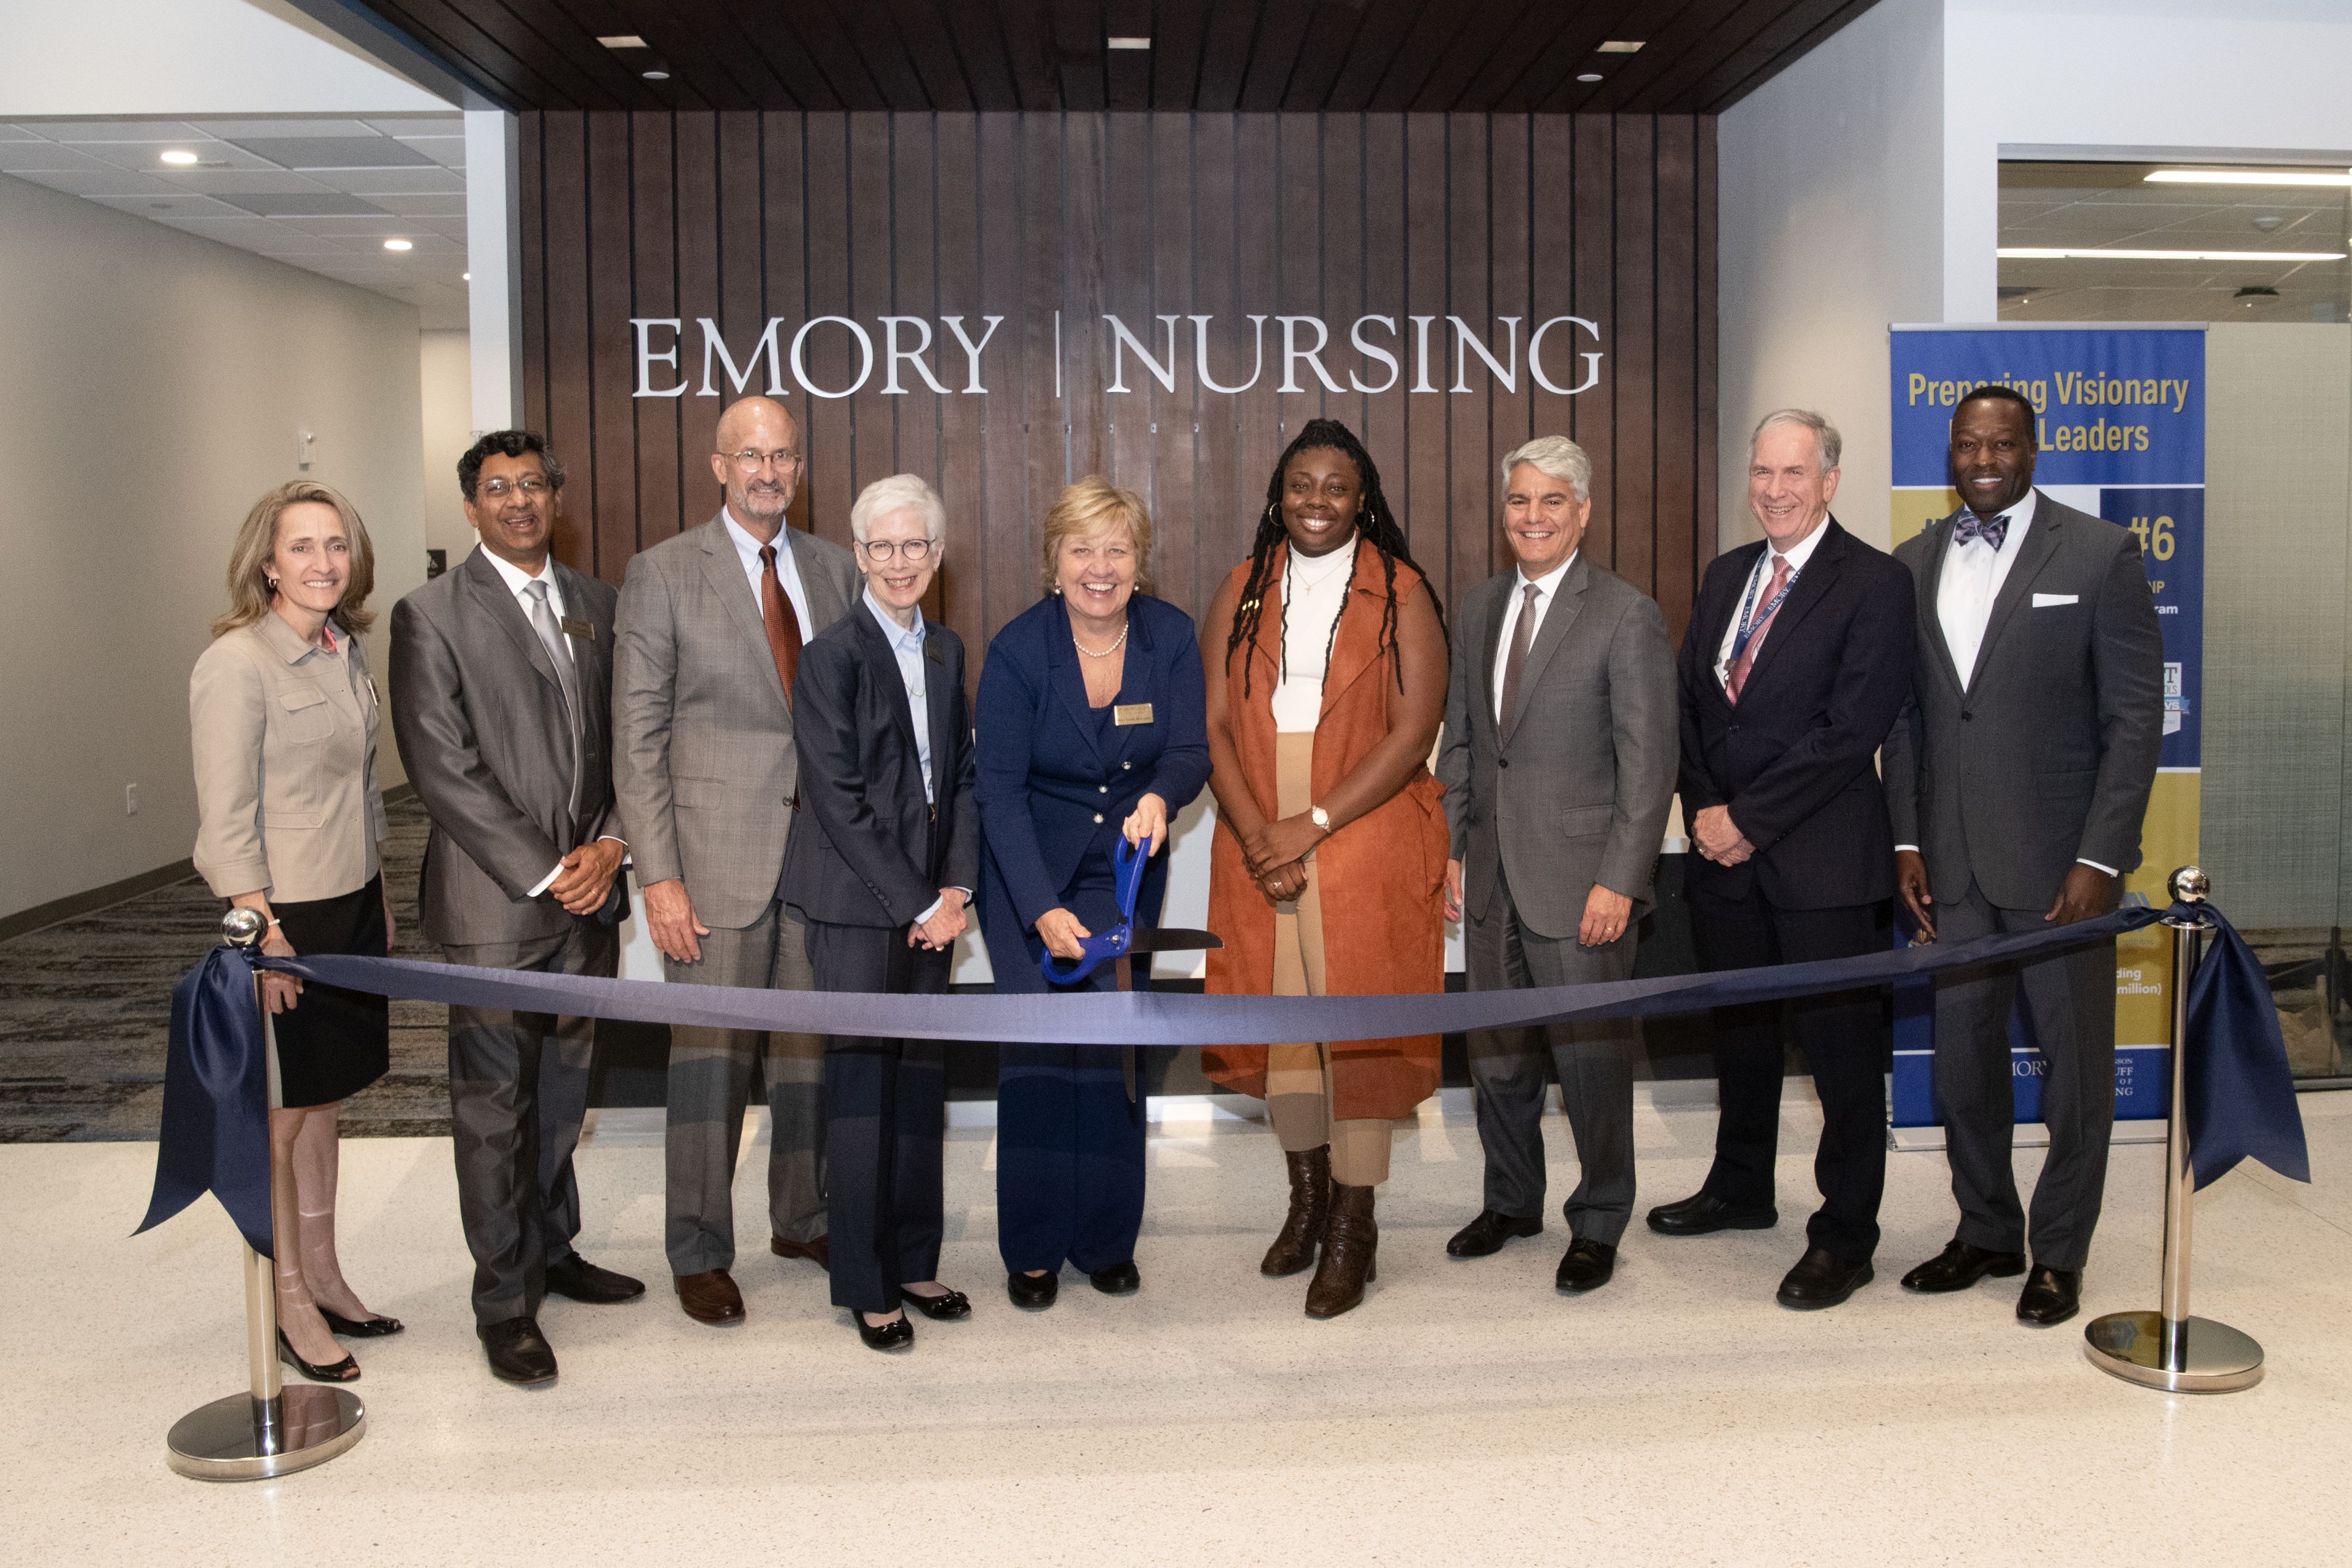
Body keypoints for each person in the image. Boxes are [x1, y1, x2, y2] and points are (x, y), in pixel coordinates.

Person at [1884, 384, 2164, 1328]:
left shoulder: (2098, 553)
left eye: (2004, 444)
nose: (1986, 459)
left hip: (2059, 872)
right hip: (1951, 866)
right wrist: (1908, 840)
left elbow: (2133, 723)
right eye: (1969, 444)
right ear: (1950, 453)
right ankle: (1987, 1231)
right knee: (1963, 1065)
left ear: (2034, 452)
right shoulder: (1913, 562)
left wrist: (2102, 856)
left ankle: (2062, 1252)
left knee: (2075, 1070)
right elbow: (1913, 718)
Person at [388, 430, 641, 1386]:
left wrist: (611, 844)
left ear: (556, 497)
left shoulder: (596, 605)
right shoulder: (431, 615)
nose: (519, 502)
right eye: (498, 489)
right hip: (498, 904)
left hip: (590, 899)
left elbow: (626, 740)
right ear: (471, 507)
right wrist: (548, 870)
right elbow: (442, 767)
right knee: (495, 1108)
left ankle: (553, 1251)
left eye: (533, 485)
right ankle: (503, 1303)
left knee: (565, 1094)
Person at [1650, 410, 1916, 1310]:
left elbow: (1852, 730)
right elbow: (1693, 701)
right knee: (1743, 1035)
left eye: (1794, 474)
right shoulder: (1729, 575)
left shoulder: (1875, 583)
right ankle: (1740, 1187)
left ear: (1831, 480)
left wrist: (1749, 820)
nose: (1774, 490)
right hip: (1724, 859)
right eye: (1762, 472)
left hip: (1824, 864)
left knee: (1841, 1059)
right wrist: (1703, 809)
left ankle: (1845, 1236)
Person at [612, 395, 862, 1326]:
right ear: (719, 466)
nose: (769, 471)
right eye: (750, 455)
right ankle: (699, 1248)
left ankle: (801, 1218)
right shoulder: (663, 573)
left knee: (809, 1055)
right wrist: (659, 876)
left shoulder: (836, 572)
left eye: (784, 456)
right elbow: (635, 739)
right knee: (708, 1064)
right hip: (712, 865)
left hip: (822, 862)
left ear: (801, 469)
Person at [1200, 418, 1452, 1319]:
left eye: (1336, 487)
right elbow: (1218, 727)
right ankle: (1306, 1202)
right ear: (1279, 494)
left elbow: (1414, 730)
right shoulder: (1240, 587)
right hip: (1258, 819)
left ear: (1363, 498)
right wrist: (1260, 832)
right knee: (1284, 1027)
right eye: (1301, 485)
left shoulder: (1403, 591)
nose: (1316, 501)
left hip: (1361, 817)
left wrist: (1306, 825)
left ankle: (1355, 1223)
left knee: (1359, 1029)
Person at [1437, 436, 1678, 1297]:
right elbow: (1462, 742)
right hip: (1493, 874)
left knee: (1592, 1067)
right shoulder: (1477, 608)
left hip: (1584, 886)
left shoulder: (1624, 613)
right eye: (1518, 502)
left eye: (1551, 502)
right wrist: (1455, 846)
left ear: (1583, 512)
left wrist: (1621, 878)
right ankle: (1512, 1200)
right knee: (1496, 1058)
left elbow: (1649, 766)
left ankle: (1601, 1215)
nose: (1532, 517)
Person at [975, 477, 1209, 1312]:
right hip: (1027, 876)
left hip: (1124, 872)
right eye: (1082, 549)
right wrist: (1040, 908)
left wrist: (1162, 796)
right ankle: (1034, 1248)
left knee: (1114, 1057)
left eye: (1116, 549)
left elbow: (1189, 749)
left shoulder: (1171, 637)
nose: (1099, 567)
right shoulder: (1017, 649)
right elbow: (996, 792)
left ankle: (1108, 1240)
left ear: (1139, 563)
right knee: (1038, 1059)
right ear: (1054, 562)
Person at [191, 481, 396, 1384]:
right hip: (284, 920)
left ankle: (326, 1273)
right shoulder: (237, 665)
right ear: (267, 564)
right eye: (303, 547)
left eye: (336, 546)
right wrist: (261, 932)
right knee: (279, 1118)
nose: (322, 562)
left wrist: (380, 893)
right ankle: (287, 1303)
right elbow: (224, 823)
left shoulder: (342, 650)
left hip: (350, 904)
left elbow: (358, 791)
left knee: (326, 1101)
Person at [780, 474, 978, 1352]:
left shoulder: (948, 650)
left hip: (933, 904)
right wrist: (914, 903)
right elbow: (839, 798)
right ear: (859, 555)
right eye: (883, 547)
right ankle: (865, 1282)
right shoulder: (831, 656)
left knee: (919, 1087)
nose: (901, 563)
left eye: (917, 546)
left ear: (937, 557)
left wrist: (957, 892)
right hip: (859, 907)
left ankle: (913, 1255)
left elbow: (962, 780)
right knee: (863, 1095)